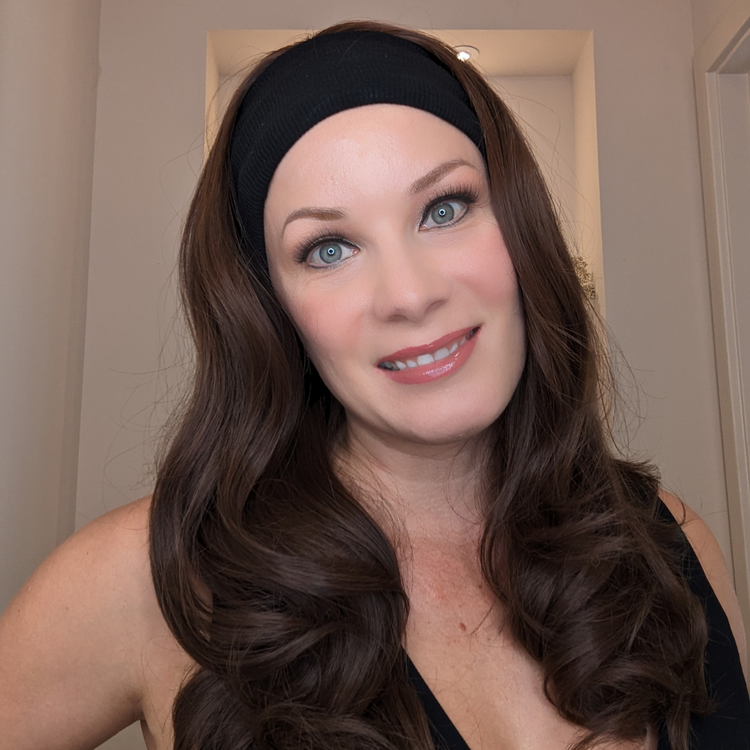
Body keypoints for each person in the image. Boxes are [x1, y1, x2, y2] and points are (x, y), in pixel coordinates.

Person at [0, 20, 748, 750]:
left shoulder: (672, 546)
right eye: (329, 248)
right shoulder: (151, 580)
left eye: (445, 209)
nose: (410, 295)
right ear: (271, 307)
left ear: (521, 226)